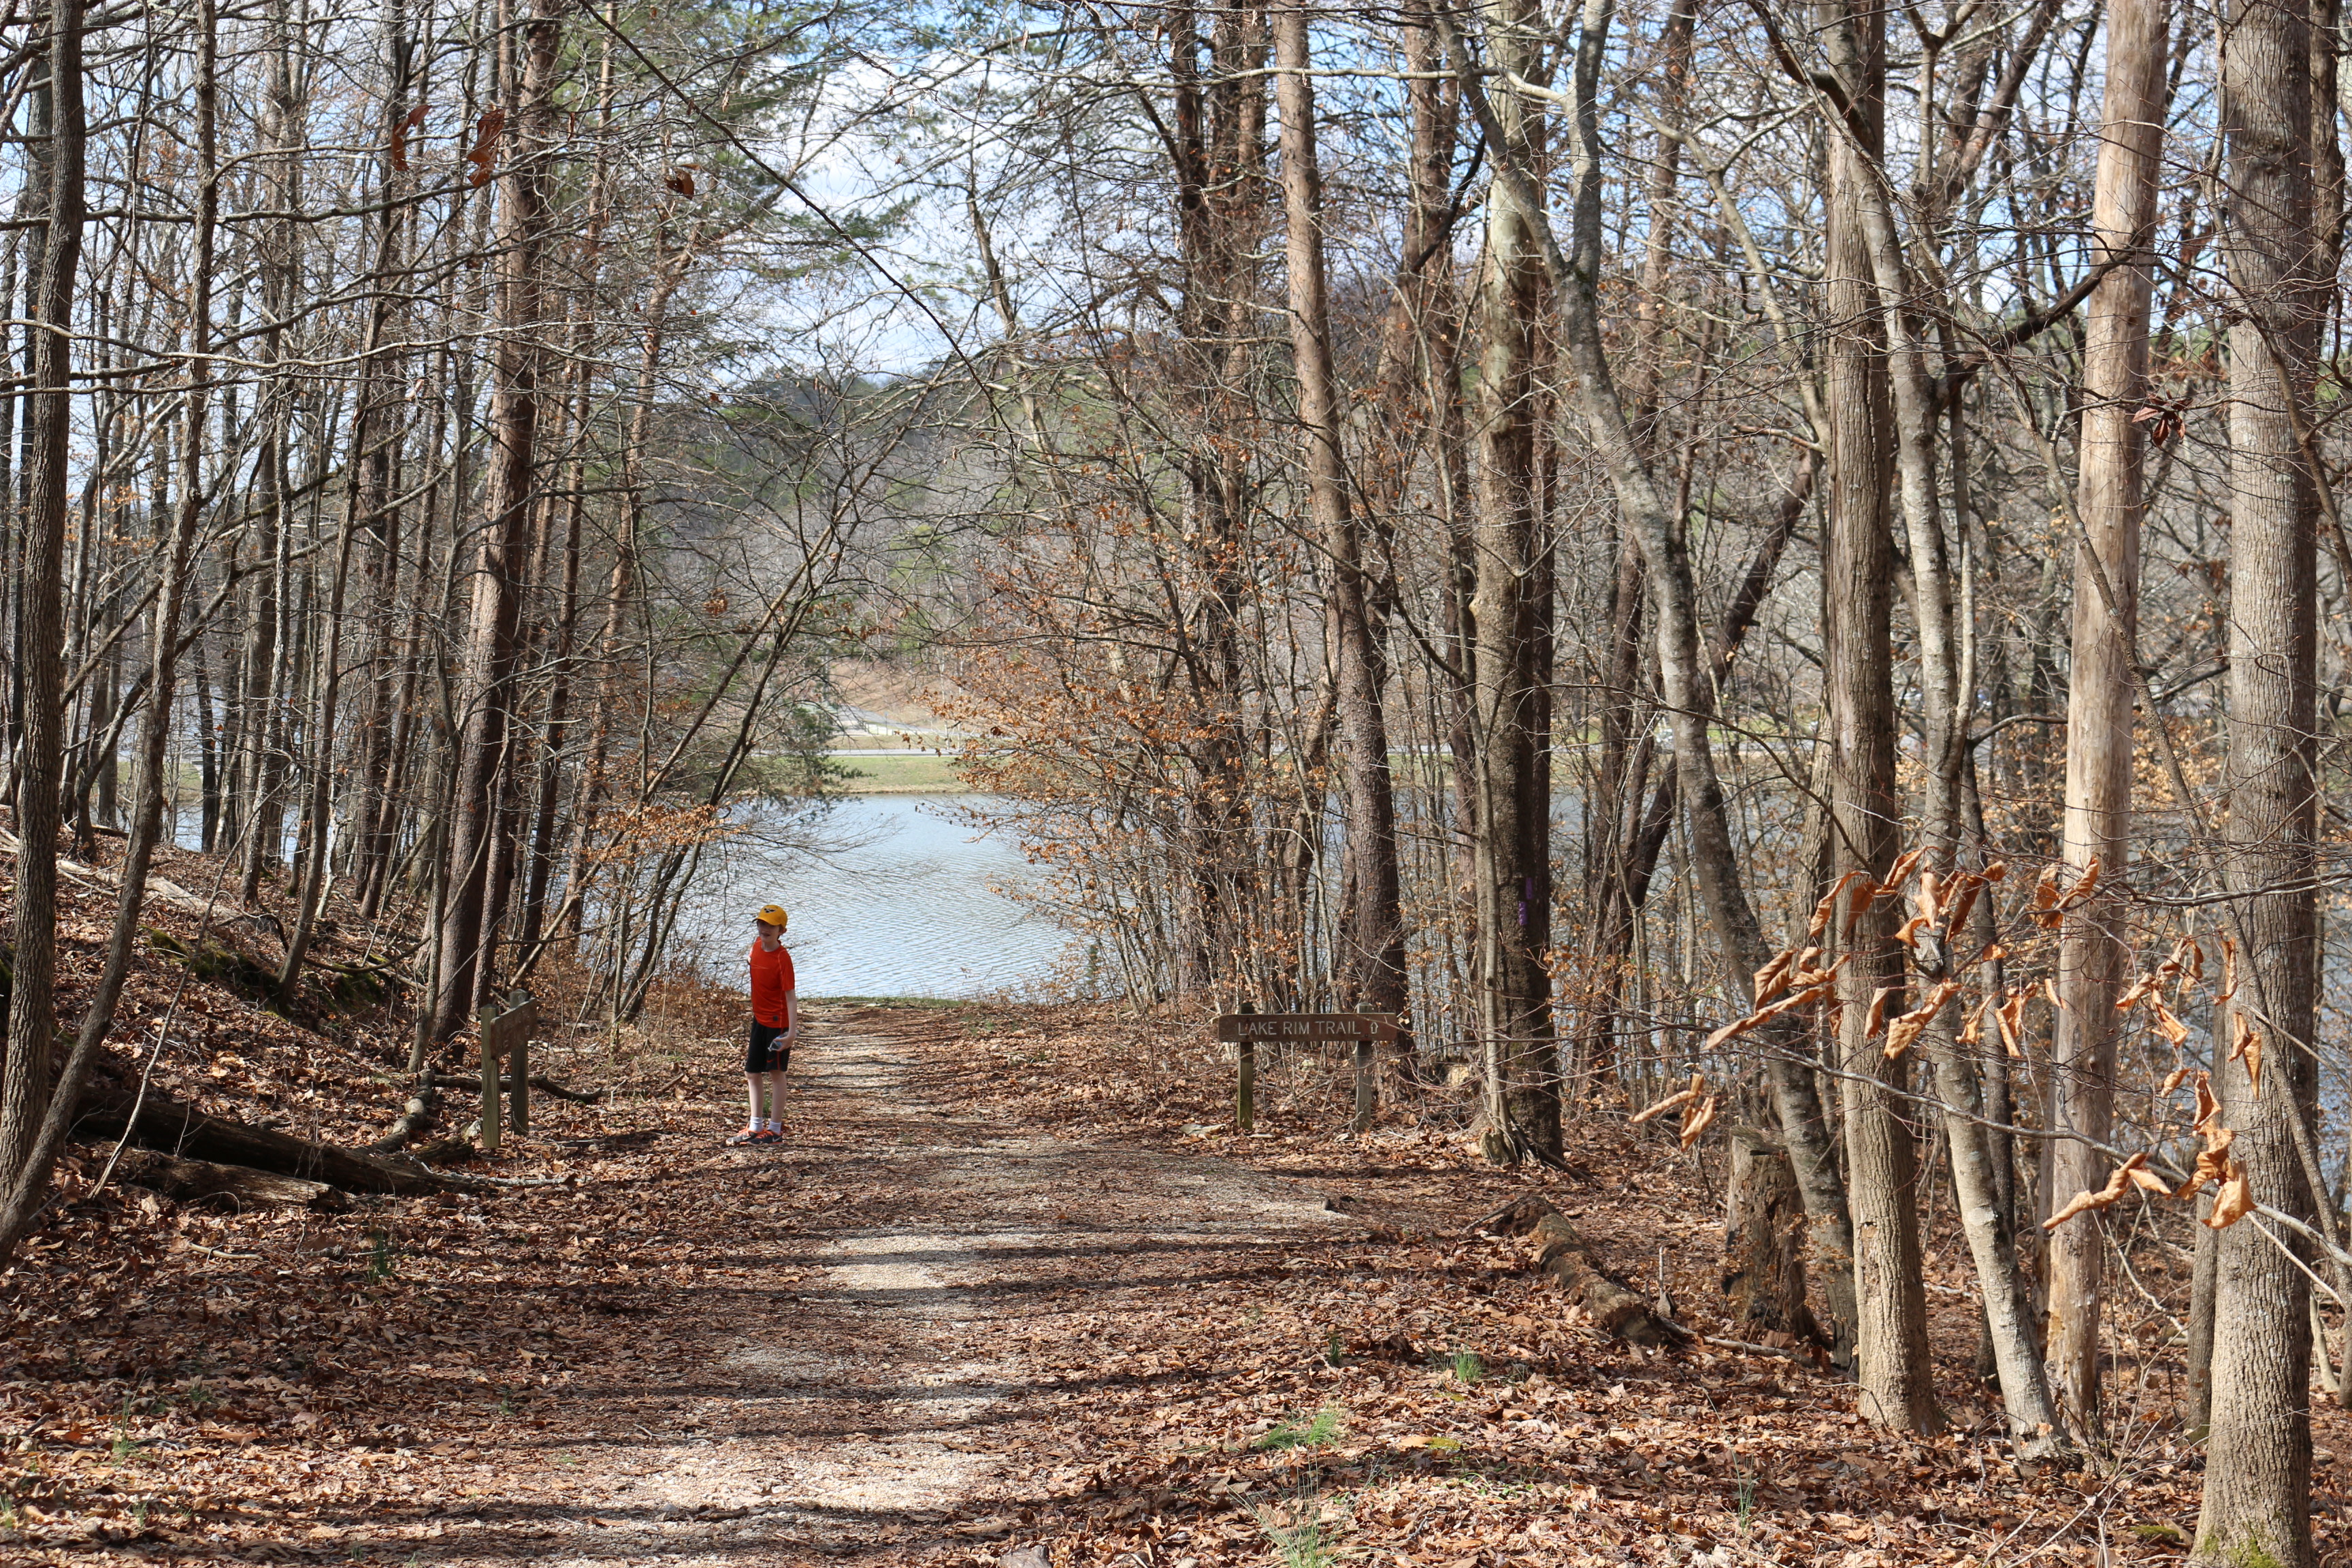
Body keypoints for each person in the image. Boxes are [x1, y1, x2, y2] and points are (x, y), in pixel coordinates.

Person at [729, 904, 798, 1145]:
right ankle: (755, 1126)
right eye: (761, 923)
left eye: (770, 925)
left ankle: (775, 1130)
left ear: (782, 930)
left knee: (776, 1073)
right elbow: (755, 966)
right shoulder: (756, 947)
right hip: (759, 1019)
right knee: (751, 1072)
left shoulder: (783, 959)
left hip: (778, 1024)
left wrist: (791, 1033)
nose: (764, 929)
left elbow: (791, 996)